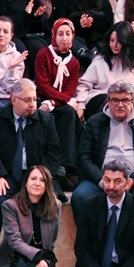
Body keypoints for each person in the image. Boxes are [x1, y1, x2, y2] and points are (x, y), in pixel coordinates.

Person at [73, 80, 134, 217]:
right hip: (99, 179)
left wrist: (133, 180)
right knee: (80, 197)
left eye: (125, 100)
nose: (120, 105)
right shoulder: (94, 122)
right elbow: (83, 157)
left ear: (133, 101)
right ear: (108, 101)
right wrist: (102, 180)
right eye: (115, 100)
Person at [0, 79, 62, 212]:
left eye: (34, 99)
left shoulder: (46, 120)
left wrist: (41, 177)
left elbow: (53, 152)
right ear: (14, 100)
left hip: (35, 174)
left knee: (45, 201)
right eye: (27, 100)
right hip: (6, 173)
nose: (32, 104)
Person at [34, 19, 82, 186]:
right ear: (54, 35)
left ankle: (65, 166)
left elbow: (69, 90)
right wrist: (56, 101)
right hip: (41, 99)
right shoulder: (43, 54)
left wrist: (54, 103)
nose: (64, 38)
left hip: (59, 103)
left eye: (68, 34)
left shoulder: (74, 62)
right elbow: (43, 85)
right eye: (60, 34)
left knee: (70, 114)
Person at [72, 22, 134, 120]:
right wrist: (81, 105)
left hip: (127, 105)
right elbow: (83, 85)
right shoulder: (100, 61)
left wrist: (123, 98)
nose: (114, 45)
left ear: (127, 42)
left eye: (119, 41)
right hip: (99, 102)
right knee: (110, 104)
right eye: (112, 40)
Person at [55, 0, 113, 68]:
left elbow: (109, 28)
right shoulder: (65, 0)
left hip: (96, 43)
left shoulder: (104, 2)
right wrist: (79, 24)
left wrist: (92, 23)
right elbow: (57, 26)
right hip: (73, 42)